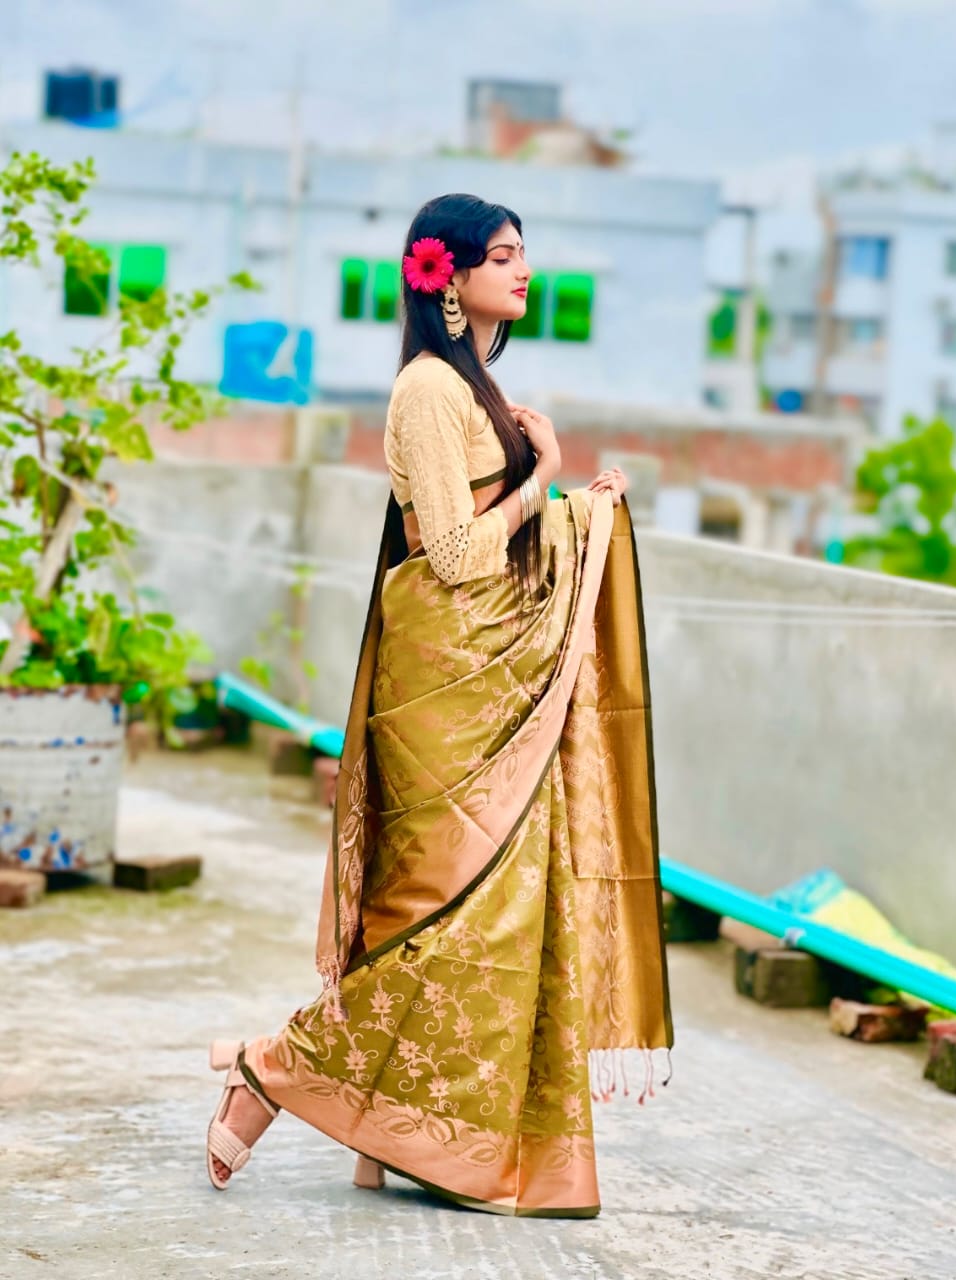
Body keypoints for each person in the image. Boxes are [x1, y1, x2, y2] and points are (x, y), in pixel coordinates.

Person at [205, 192, 672, 1218]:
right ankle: (268, 1065)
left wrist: (579, 510)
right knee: (439, 914)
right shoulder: (427, 388)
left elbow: (487, 537)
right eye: (502, 256)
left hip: (488, 680)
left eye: (523, 254)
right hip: (444, 687)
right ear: (446, 276)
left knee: (491, 913)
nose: (523, 271)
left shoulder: (476, 386)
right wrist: (551, 481)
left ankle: (390, 1135)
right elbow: (456, 557)